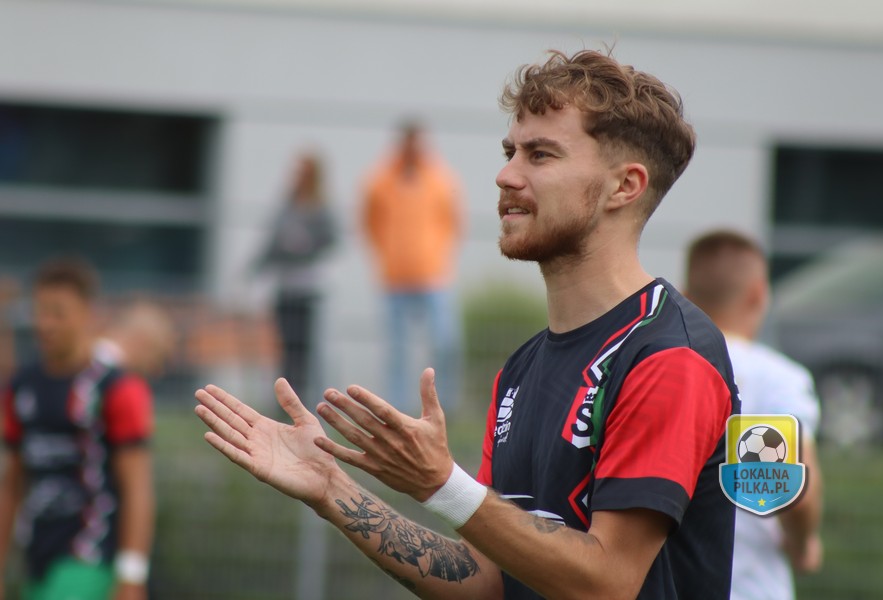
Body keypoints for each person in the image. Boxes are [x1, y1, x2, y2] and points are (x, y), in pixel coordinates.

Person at [195, 49, 739, 599]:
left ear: (625, 186)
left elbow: (607, 583)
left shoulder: (668, 357)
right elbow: (487, 582)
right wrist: (332, 489)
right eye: (510, 152)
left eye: (540, 155)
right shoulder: (521, 370)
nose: (506, 175)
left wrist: (443, 485)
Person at [0, 260, 154, 600]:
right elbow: (12, 483)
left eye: (58, 313)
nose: (46, 324)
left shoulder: (117, 389)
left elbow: (138, 486)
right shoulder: (21, 388)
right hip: (38, 561)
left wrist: (132, 576)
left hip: (91, 559)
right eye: (40, 312)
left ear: (88, 314)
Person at [684, 230, 824, 600]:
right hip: (752, 588)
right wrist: (803, 544)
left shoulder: (661, 371)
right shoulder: (777, 379)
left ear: (685, 296)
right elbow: (797, 493)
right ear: (759, 294)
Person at [361, 121, 463, 412]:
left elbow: (453, 222)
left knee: (445, 343)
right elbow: (370, 222)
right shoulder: (381, 180)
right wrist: (386, 254)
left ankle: (445, 405)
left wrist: (438, 255)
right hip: (395, 278)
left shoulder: (440, 178)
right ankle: (397, 409)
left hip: (433, 277)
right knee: (397, 351)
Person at [255, 152, 337, 399]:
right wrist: (257, 268)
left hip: (307, 288)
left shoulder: (320, 208)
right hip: (285, 286)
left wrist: (306, 246)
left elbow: (331, 240)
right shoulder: (287, 205)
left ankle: (304, 397)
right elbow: (272, 242)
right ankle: (284, 398)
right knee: (285, 348)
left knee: (304, 349)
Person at [94, 299, 176, 379]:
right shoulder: (113, 375)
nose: (158, 371)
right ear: (142, 341)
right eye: (158, 357)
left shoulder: (94, 354)